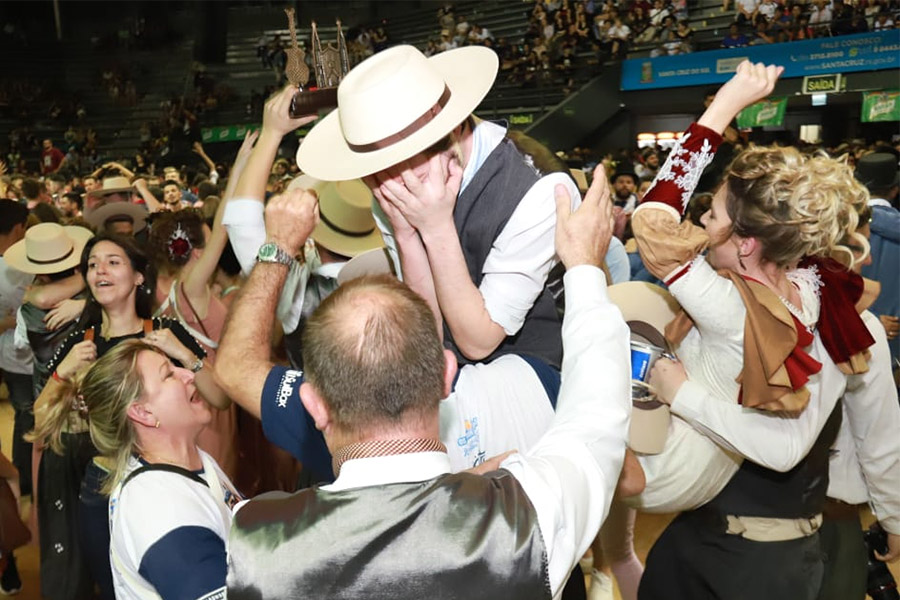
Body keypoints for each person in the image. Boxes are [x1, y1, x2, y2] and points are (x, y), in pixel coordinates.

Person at [219, 174, 630, 598]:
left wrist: (279, 246)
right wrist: (583, 267)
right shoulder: (527, 518)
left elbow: (234, 367)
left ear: (314, 404)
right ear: (445, 376)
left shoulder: (256, 544)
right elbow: (598, 409)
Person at [623, 61, 886, 599]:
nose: (701, 221)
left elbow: (653, 217)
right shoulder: (821, 292)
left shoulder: (726, 305)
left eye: (713, 214)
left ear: (746, 243)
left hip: (671, 478)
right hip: (716, 521)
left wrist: (724, 106)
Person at [295, 45, 581, 371]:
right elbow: (428, 333)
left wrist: (435, 228)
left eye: (400, 156)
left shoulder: (537, 188)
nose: (389, 179)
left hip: (542, 367)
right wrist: (405, 236)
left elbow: (479, 341)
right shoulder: (391, 182)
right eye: (374, 165)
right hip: (451, 368)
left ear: (449, 126)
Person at [28, 233, 225, 600]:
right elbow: (40, 418)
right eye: (92, 265)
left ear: (138, 277)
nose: (100, 270)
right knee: (105, 582)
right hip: (94, 484)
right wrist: (62, 373)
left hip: (159, 479)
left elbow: (219, 397)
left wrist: (183, 354)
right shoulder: (79, 342)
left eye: (113, 262)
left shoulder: (164, 334)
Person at [76, 340, 241, 599]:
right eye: (169, 374)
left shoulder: (188, 459)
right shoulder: (161, 511)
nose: (188, 375)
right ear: (143, 413)